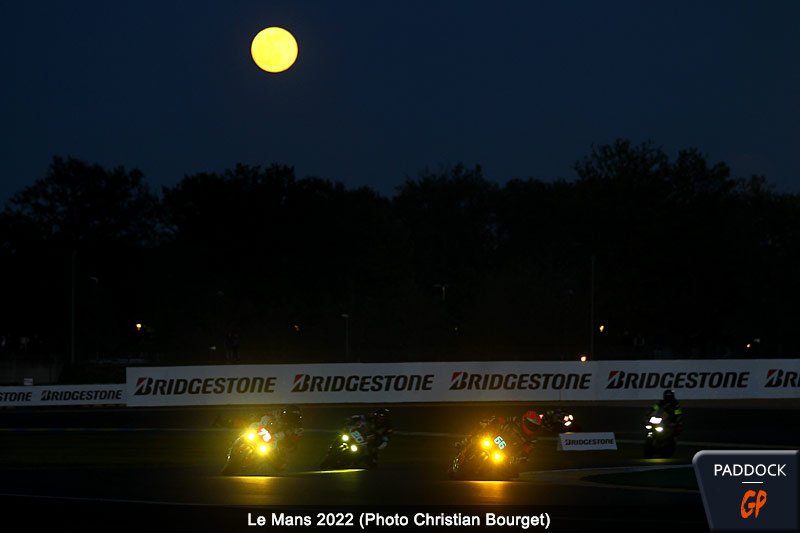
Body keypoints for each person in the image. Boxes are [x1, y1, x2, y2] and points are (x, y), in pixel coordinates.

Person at [455, 409, 542, 467]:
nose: (532, 427)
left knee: (510, 471)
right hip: (496, 435)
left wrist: (517, 459)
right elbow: (502, 419)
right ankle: (464, 442)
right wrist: (494, 421)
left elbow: (526, 454)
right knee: (482, 427)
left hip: (506, 451)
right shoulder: (515, 419)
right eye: (530, 424)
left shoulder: (532, 439)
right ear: (524, 420)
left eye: (535, 426)